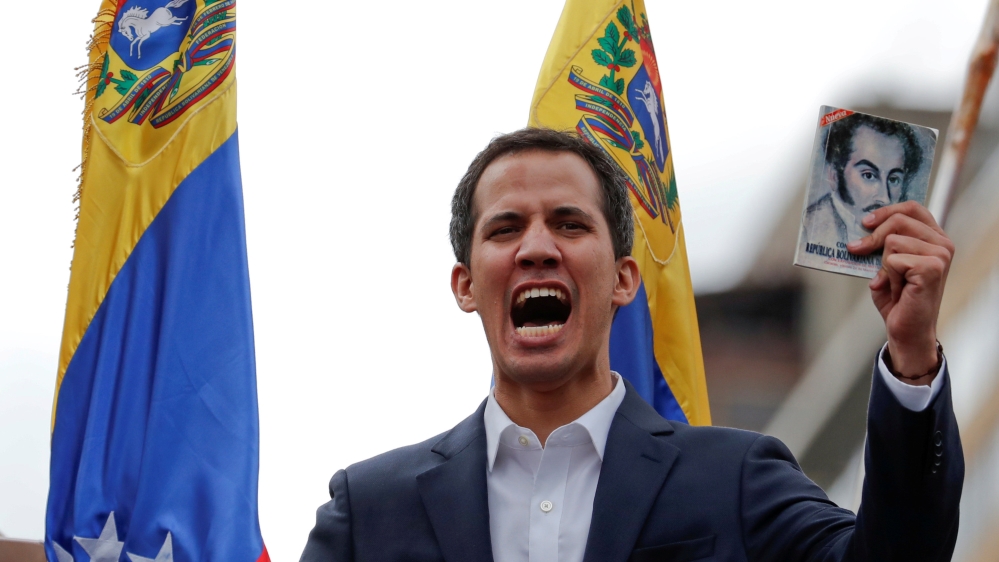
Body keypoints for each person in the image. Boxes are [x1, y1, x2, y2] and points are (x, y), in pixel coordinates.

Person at [301, 128, 962, 562]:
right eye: (505, 228)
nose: (536, 247)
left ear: (622, 280)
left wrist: (910, 355)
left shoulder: (733, 479)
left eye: (568, 223)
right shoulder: (369, 511)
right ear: (465, 284)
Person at [805, 113, 924, 247]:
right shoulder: (807, 230)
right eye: (869, 175)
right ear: (834, 175)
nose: (884, 198)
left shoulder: (904, 239)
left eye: (893, 179)